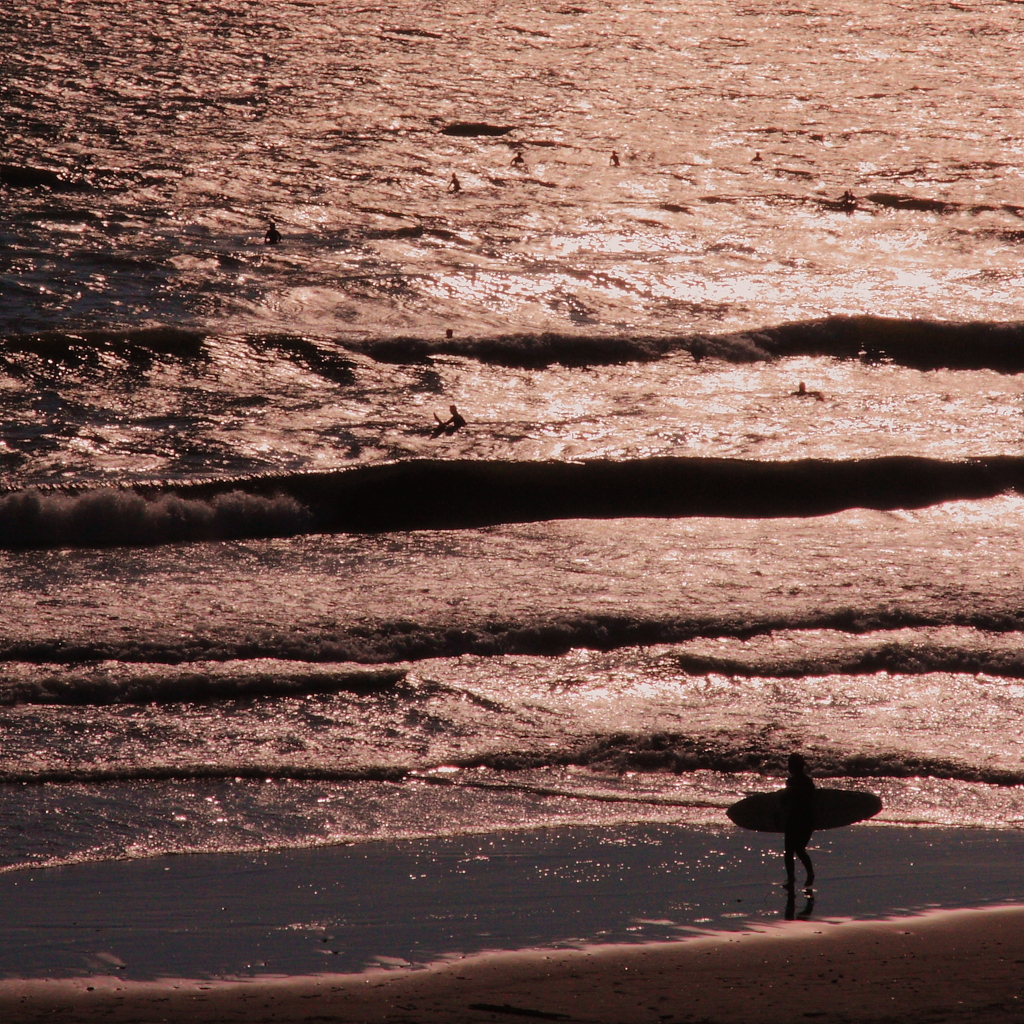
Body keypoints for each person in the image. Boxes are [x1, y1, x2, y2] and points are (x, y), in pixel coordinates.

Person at [782, 753, 816, 889]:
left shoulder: (792, 782)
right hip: (807, 819)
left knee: (791, 851)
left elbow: (786, 801)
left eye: (790, 765)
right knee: (798, 849)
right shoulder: (808, 782)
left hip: (796, 818)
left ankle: (792, 878)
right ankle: (809, 874)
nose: (789, 767)